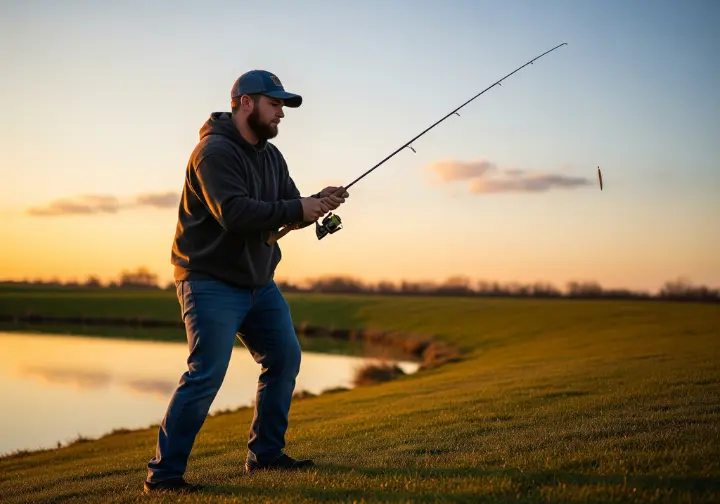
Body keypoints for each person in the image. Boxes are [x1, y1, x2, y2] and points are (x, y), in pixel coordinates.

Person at [143, 70, 348, 494]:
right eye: (275, 105)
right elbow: (234, 213)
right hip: (208, 280)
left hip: (258, 282)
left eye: (283, 107)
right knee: (206, 374)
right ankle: (163, 477)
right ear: (245, 103)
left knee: (284, 358)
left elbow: (285, 209)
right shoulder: (213, 152)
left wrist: (317, 203)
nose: (281, 114)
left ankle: (266, 457)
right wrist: (297, 206)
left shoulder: (273, 158)